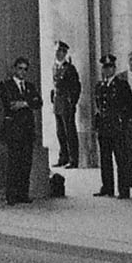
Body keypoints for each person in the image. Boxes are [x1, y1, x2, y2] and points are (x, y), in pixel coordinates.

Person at [90, 56, 132, 199]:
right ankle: (107, 187)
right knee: (105, 159)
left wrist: (122, 120)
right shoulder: (99, 86)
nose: (107, 70)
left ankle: (123, 190)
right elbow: (99, 106)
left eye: (110, 67)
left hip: (117, 127)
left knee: (120, 159)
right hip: (104, 127)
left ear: (114, 68)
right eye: (105, 68)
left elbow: (130, 107)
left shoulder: (122, 85)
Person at [0, 58, 41, 205]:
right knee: (14, 163)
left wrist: (24, 103)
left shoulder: (30, 86)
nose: (23, 72)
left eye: (25, 69)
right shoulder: (6, 85)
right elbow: (10, 103)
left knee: (26, 163)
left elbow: (38, 102)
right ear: (15, 69)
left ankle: (23, 193)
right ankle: (11, 195)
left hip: (27, 129)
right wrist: (27, 102)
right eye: (20, 68)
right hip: (14, 130)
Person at [50, 42, 82, 171]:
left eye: (61, 52)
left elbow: (76, 87)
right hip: (58, 103)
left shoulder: (70, 68)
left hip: (66, 103)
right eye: (57, 51)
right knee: (60, 132)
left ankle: (73, 159)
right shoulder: (55, 67)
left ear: (65, 53)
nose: (58, 54)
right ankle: (63, 157)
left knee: (70, 132)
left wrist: (72, 102)